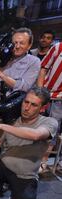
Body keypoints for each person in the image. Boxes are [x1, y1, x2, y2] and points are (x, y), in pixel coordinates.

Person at [0, 28, 40, 102]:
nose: (17, 46)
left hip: (12, 104)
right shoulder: (3, 57)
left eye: (21, 43)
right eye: (15, 43)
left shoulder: (34, 61)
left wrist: (1, 74)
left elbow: (24, 87)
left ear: (29, 45)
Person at [37, 41, 62, 172]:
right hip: (52, 96)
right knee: (49, 129)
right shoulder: (58, 47)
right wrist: (41, 93)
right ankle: (42, 160)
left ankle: (52, 161)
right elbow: (43, 67)